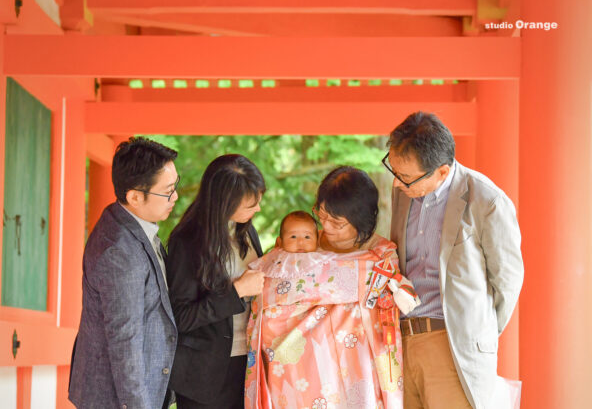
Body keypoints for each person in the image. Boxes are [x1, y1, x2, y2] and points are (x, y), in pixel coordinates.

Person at [386, 112, 524, 409]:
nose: (397, 184)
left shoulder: (486, 201)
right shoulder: (403, 193)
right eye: (394, 172)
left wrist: (475, 330)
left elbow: (507, 282)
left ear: (443, 171)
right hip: (401, 343)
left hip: (452, 345)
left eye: (406, 177)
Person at [245, 166, 404, 409]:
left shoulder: (381, 256)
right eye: (322, 215)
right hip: (304, 371)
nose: (325, 227)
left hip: (356, 369)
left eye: (336, 222)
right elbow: (270, 287)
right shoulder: (301, 243)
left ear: (362, 220)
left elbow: (380, 292)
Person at [68, 137, 179, 409]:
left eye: (175, 186)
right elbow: (124, 340)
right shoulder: (119, 251)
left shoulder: (129, 223)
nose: (175, 197)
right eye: (167, 191)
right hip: (117, 399)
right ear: (134, 196)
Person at [166, 154, 267, 409]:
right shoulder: (187, 242)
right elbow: (180, 317)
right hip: (206, 376)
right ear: (224, 203)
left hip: (249, 363)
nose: (258, 209)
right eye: (250, 205)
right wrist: (237, 292)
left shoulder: (246, 231)